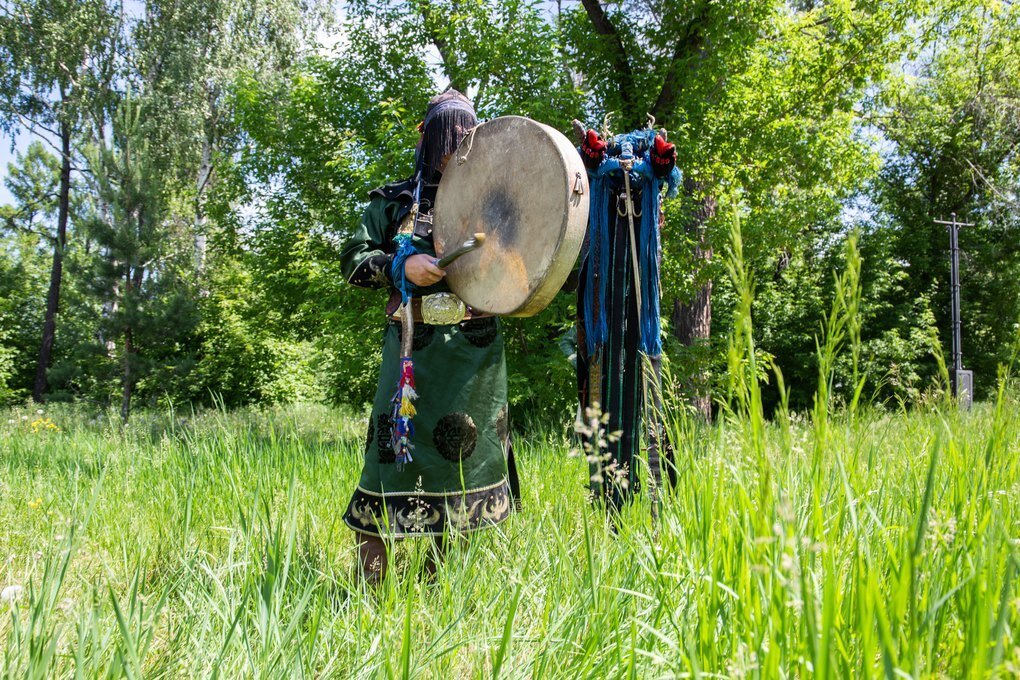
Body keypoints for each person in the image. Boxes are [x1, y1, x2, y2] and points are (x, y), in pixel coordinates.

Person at [339, 90, 518, 582]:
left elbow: (531, 262)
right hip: (411, 352)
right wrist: (401, 263)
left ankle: (439, 585)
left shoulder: (495, 202)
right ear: (428, 138)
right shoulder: (393, 202)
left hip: (474, 355)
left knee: (459, 460)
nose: (456, 146)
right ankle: (370, 588)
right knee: (389, 459)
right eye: (447, 135)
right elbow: (352, 258)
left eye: (466, 136)